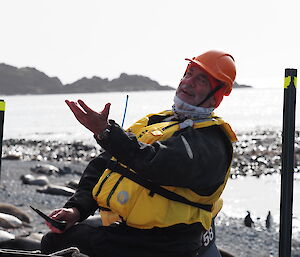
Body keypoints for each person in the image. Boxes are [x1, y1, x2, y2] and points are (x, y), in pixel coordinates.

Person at [41, 50, 237, 257]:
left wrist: (106, 132)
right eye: (188, 74)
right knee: (56, 240)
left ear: (217, 92)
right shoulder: (156, 121)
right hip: (131, 233)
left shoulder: (211, 141)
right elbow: (105, 165)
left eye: (201, 80)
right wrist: (76, 210)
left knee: (57, 243)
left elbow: (158, 165)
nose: (188, 82)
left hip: (167, 243)